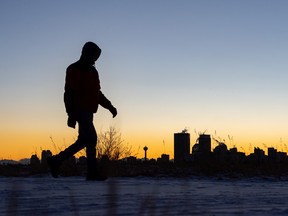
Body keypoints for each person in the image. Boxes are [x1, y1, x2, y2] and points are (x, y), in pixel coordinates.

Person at [47, 41, 117, 180]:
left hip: (89, 112)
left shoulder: (93, 71)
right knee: (92, 139)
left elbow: (98, 94)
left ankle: (55, 161)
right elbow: (69, 93)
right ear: (87, 53)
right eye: (95, 56)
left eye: (97, 57)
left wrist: (109, 106)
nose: (96, 59)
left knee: (84, 141)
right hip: (79, 111)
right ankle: (92, 173)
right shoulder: (74, 69)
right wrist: (71, 114)